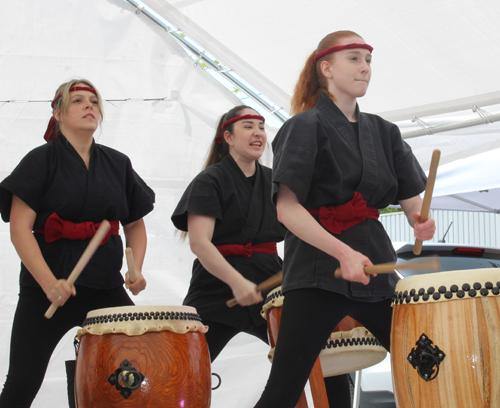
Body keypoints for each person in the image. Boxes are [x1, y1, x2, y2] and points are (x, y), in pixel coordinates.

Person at [253, 31, 436, 408]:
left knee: (429, 361)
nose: (365, 68)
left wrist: (420, 219)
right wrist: (343, 254)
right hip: (319, 270)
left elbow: (410, 200)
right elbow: (287, 208)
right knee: (284, 389)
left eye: (368, 60)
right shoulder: (304, 127)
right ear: (326, 67)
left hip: (376, 268)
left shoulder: (385, 131)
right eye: (354, 58)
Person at [0, 79, 155, 408]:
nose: (89, 106)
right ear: (58, 113)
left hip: (104, 289)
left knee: (138, 373)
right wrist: (48, 282)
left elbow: (135, 226)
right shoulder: (39, 161)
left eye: (94, 102)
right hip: (47, 289)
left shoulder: (117, 163)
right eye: (78, 101)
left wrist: (136, 268)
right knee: (23, 382)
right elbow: (19, 229)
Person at [171, 105, 286, 363]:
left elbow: (300, 229)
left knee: (310, 356)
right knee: (187, 370)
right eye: (248, 126)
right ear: (229, 137)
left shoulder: (276, 181)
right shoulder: (209, 181)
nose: (258, 133)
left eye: (261, 127)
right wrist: (236, 281)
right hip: (216, 286)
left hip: (269, 281)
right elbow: (200, 243)